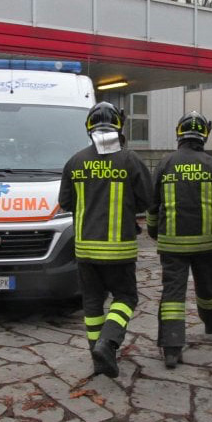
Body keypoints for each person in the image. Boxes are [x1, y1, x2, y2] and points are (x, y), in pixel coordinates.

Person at [58, 102, 152, 379]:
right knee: (126, 297)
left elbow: (65, 203)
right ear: (118, 127)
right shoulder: (130, 160)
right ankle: (108, 343)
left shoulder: (74, 162)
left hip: (85, 250)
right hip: (119, 250)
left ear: (89, 128)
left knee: (92, 303)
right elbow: (147, 200)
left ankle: (98, 358)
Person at [146, 111, 212, 369]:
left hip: (172, 245)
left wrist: (153, 230)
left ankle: (171, 348)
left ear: (179, 134)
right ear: (204, 135)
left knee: (172, 293)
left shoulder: (165, 164)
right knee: (207, 288)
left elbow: (153, 205)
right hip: (206, 246)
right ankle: (211, 320)